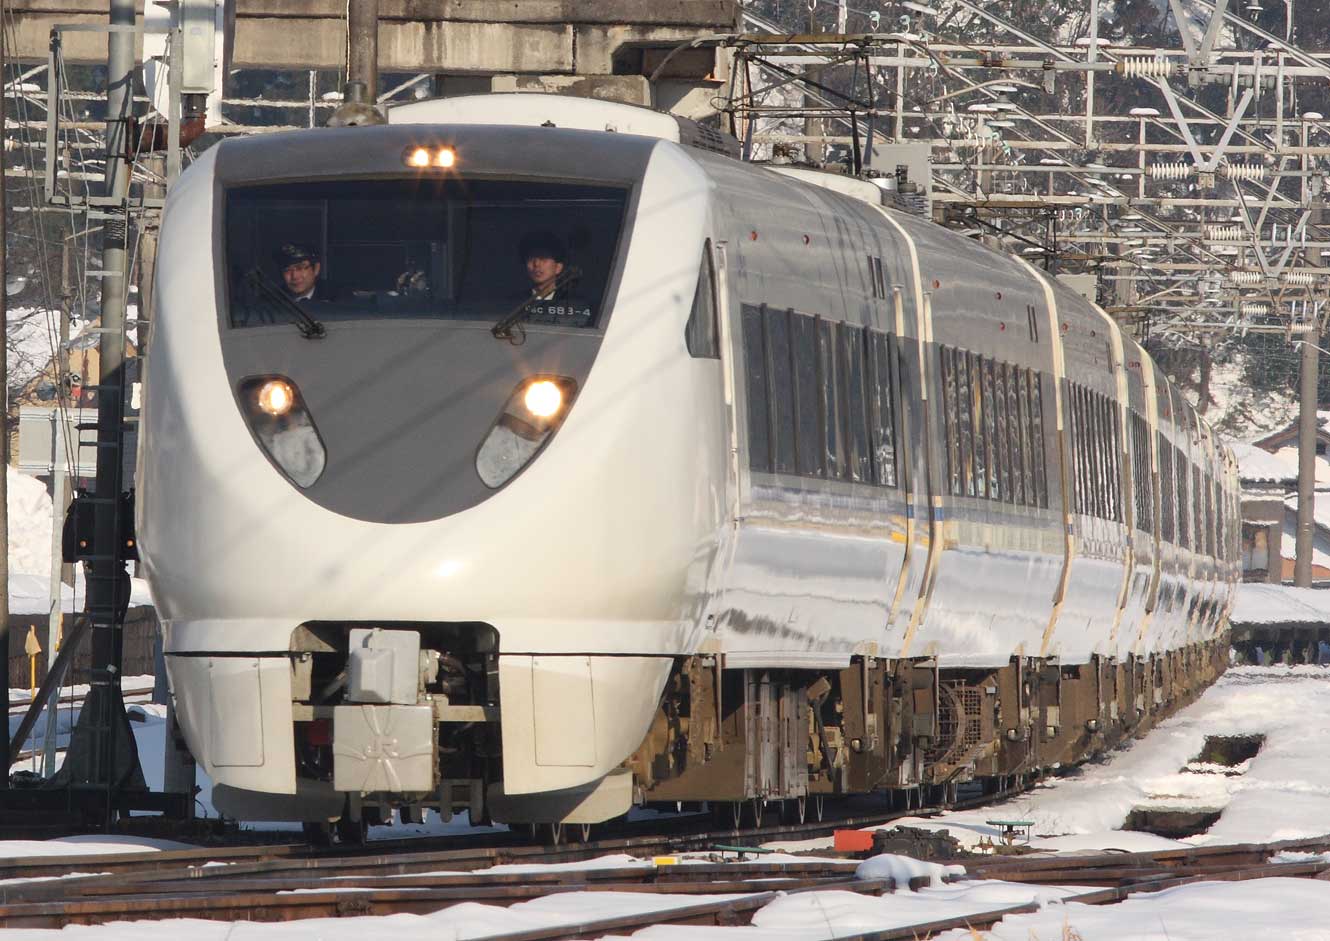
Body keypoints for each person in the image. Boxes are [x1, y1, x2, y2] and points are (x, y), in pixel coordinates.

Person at [515, 231, 592, 325]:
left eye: (543, 258)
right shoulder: (515, 302)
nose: (536, 264)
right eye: (531, 259)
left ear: (558, 267)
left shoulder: (575, 303)